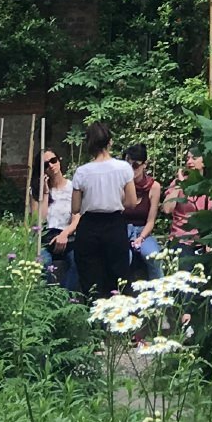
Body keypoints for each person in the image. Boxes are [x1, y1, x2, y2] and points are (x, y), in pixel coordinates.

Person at [54, 123, 138, 299]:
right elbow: (131, 202)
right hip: (114, 225)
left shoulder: (82, 172)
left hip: (89, 227)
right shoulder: (123, 168)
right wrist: (115, 198)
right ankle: (118, 320)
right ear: (110, 142)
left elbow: (75, 208)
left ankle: (94, 320)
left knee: (91, 280)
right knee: (118, 276)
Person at [35, 147, 78, 290]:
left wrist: (64, 234)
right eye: (46, 165)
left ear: (59, 161)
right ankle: (48, 300)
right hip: (45, 238)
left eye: (53, 161)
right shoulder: (37, 190)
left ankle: (64, 299)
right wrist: (46, 193)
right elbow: (39, 221)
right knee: (43, 263)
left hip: (67, 235)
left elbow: (76, 218)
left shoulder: (73, 188)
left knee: (79, 261)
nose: (51, 166)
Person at [122, 143, 164, 276]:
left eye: (135, 165)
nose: (132, 170)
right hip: (122, 230)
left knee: (154, 257)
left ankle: (158, 294)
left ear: (144, 164)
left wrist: (141, 237)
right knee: (122, 260)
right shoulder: (121, 185)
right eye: (128, 166)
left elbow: (151, 221)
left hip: (143, 231)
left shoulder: (154, 187)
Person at [160, 153, 209, 263]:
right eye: (187, 159)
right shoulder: (179, 182)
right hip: (182, 240)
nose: (189, 162)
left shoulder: (211, 184)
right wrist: (180, 184)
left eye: (194, 158)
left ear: (204, 162)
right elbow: (167, 209)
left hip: (206, 241)